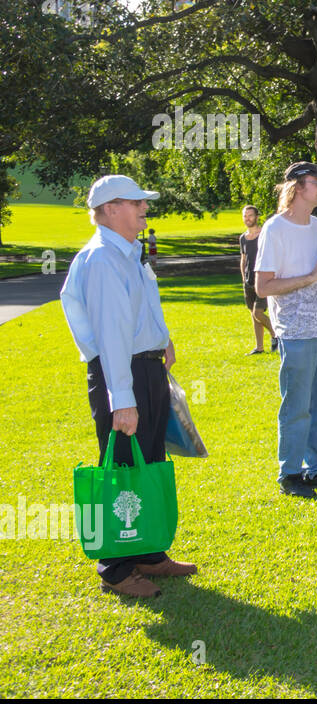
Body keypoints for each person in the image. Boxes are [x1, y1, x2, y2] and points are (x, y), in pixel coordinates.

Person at [60, 175, 197, 599]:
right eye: (135, 203)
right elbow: (111, 336)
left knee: (149, 458)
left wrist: (163, 339)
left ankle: (148, 551)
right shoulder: (102, 258)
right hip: (122, 373)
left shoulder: (127, 253)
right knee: (121, 466)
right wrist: (123, 401)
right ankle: (115, 569)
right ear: (110, 208)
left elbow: (139, 312)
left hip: (145, 367)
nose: (144, 210)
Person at [254, 161, 317, 497]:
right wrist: (311, 276)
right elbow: (263, 287)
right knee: (297, 406)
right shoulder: (274, 229)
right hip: (296, 331)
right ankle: (290, 474)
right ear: (297, 186)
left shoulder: (315, 224)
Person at [238, 205, 276, 354]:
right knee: (253, 315)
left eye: (250, 215)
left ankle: (276, 335)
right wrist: (243, 279)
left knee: (258, 312)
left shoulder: (264, 235)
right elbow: (243, 259)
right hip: (248, 282)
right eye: (245, 216)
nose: (248, 219)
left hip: (263, 280)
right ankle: (259, 347)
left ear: (257, 217)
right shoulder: (243, 238)